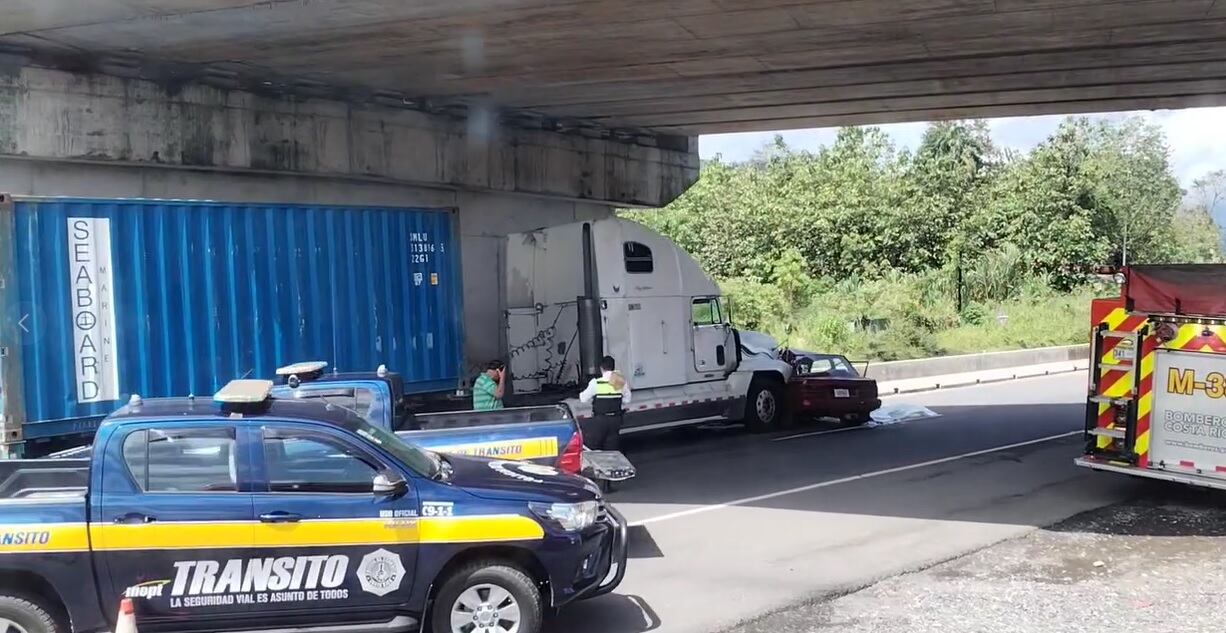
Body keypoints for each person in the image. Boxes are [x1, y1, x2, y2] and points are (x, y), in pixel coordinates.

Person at [578, 355, 631, 451]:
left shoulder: (596, 383)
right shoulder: (619, 382)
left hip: (600, 420)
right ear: (613, 368)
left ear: (601, 368)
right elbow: (627, 399)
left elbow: (583, 398)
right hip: (615, 420)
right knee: (612, 448)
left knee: (596, 449)